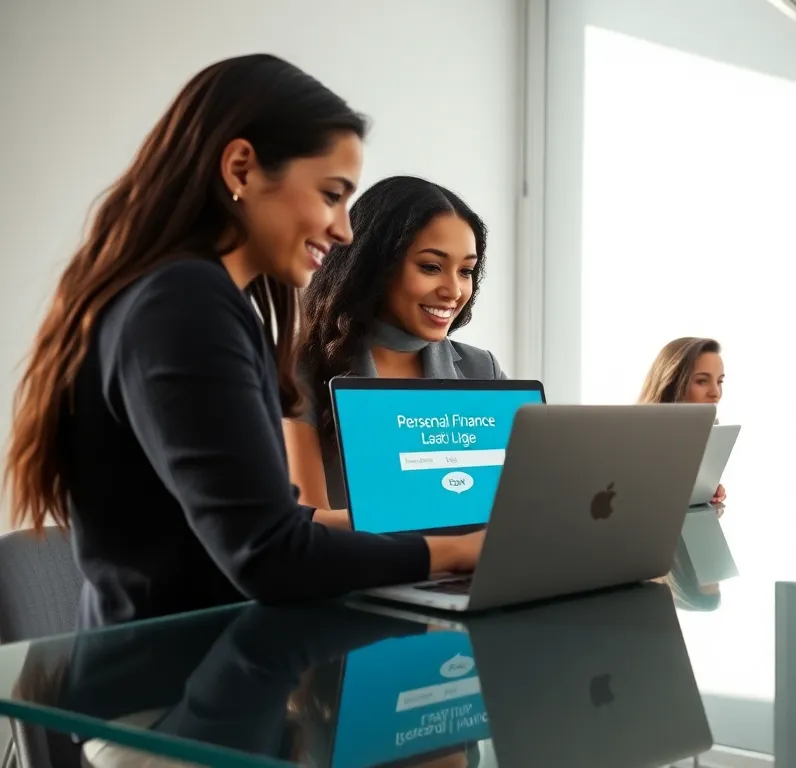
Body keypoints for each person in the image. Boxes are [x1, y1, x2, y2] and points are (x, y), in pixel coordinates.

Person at [2, 54, 481, 629]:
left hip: (196, 656)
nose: (344, 229)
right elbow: (272, 555)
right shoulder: (185, 303)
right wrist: (456, 551)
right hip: (168, 672)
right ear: (241, 169)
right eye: (331, 194)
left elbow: (266, 529)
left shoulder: (187, 297)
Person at [285, 176, 503, 511]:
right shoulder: (300, 369)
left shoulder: (482, 370)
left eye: (466, 271)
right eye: (431, 267)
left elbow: (516, 498)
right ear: (375, 266)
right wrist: (437, 531)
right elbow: (308, 519)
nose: (454, 291)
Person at [638, 337, 727, 504]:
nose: (716, 392)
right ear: (672, 383)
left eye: (719, 381)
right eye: (702, 381)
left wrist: (702, 491)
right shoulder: (635, 438)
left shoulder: (704, 436)